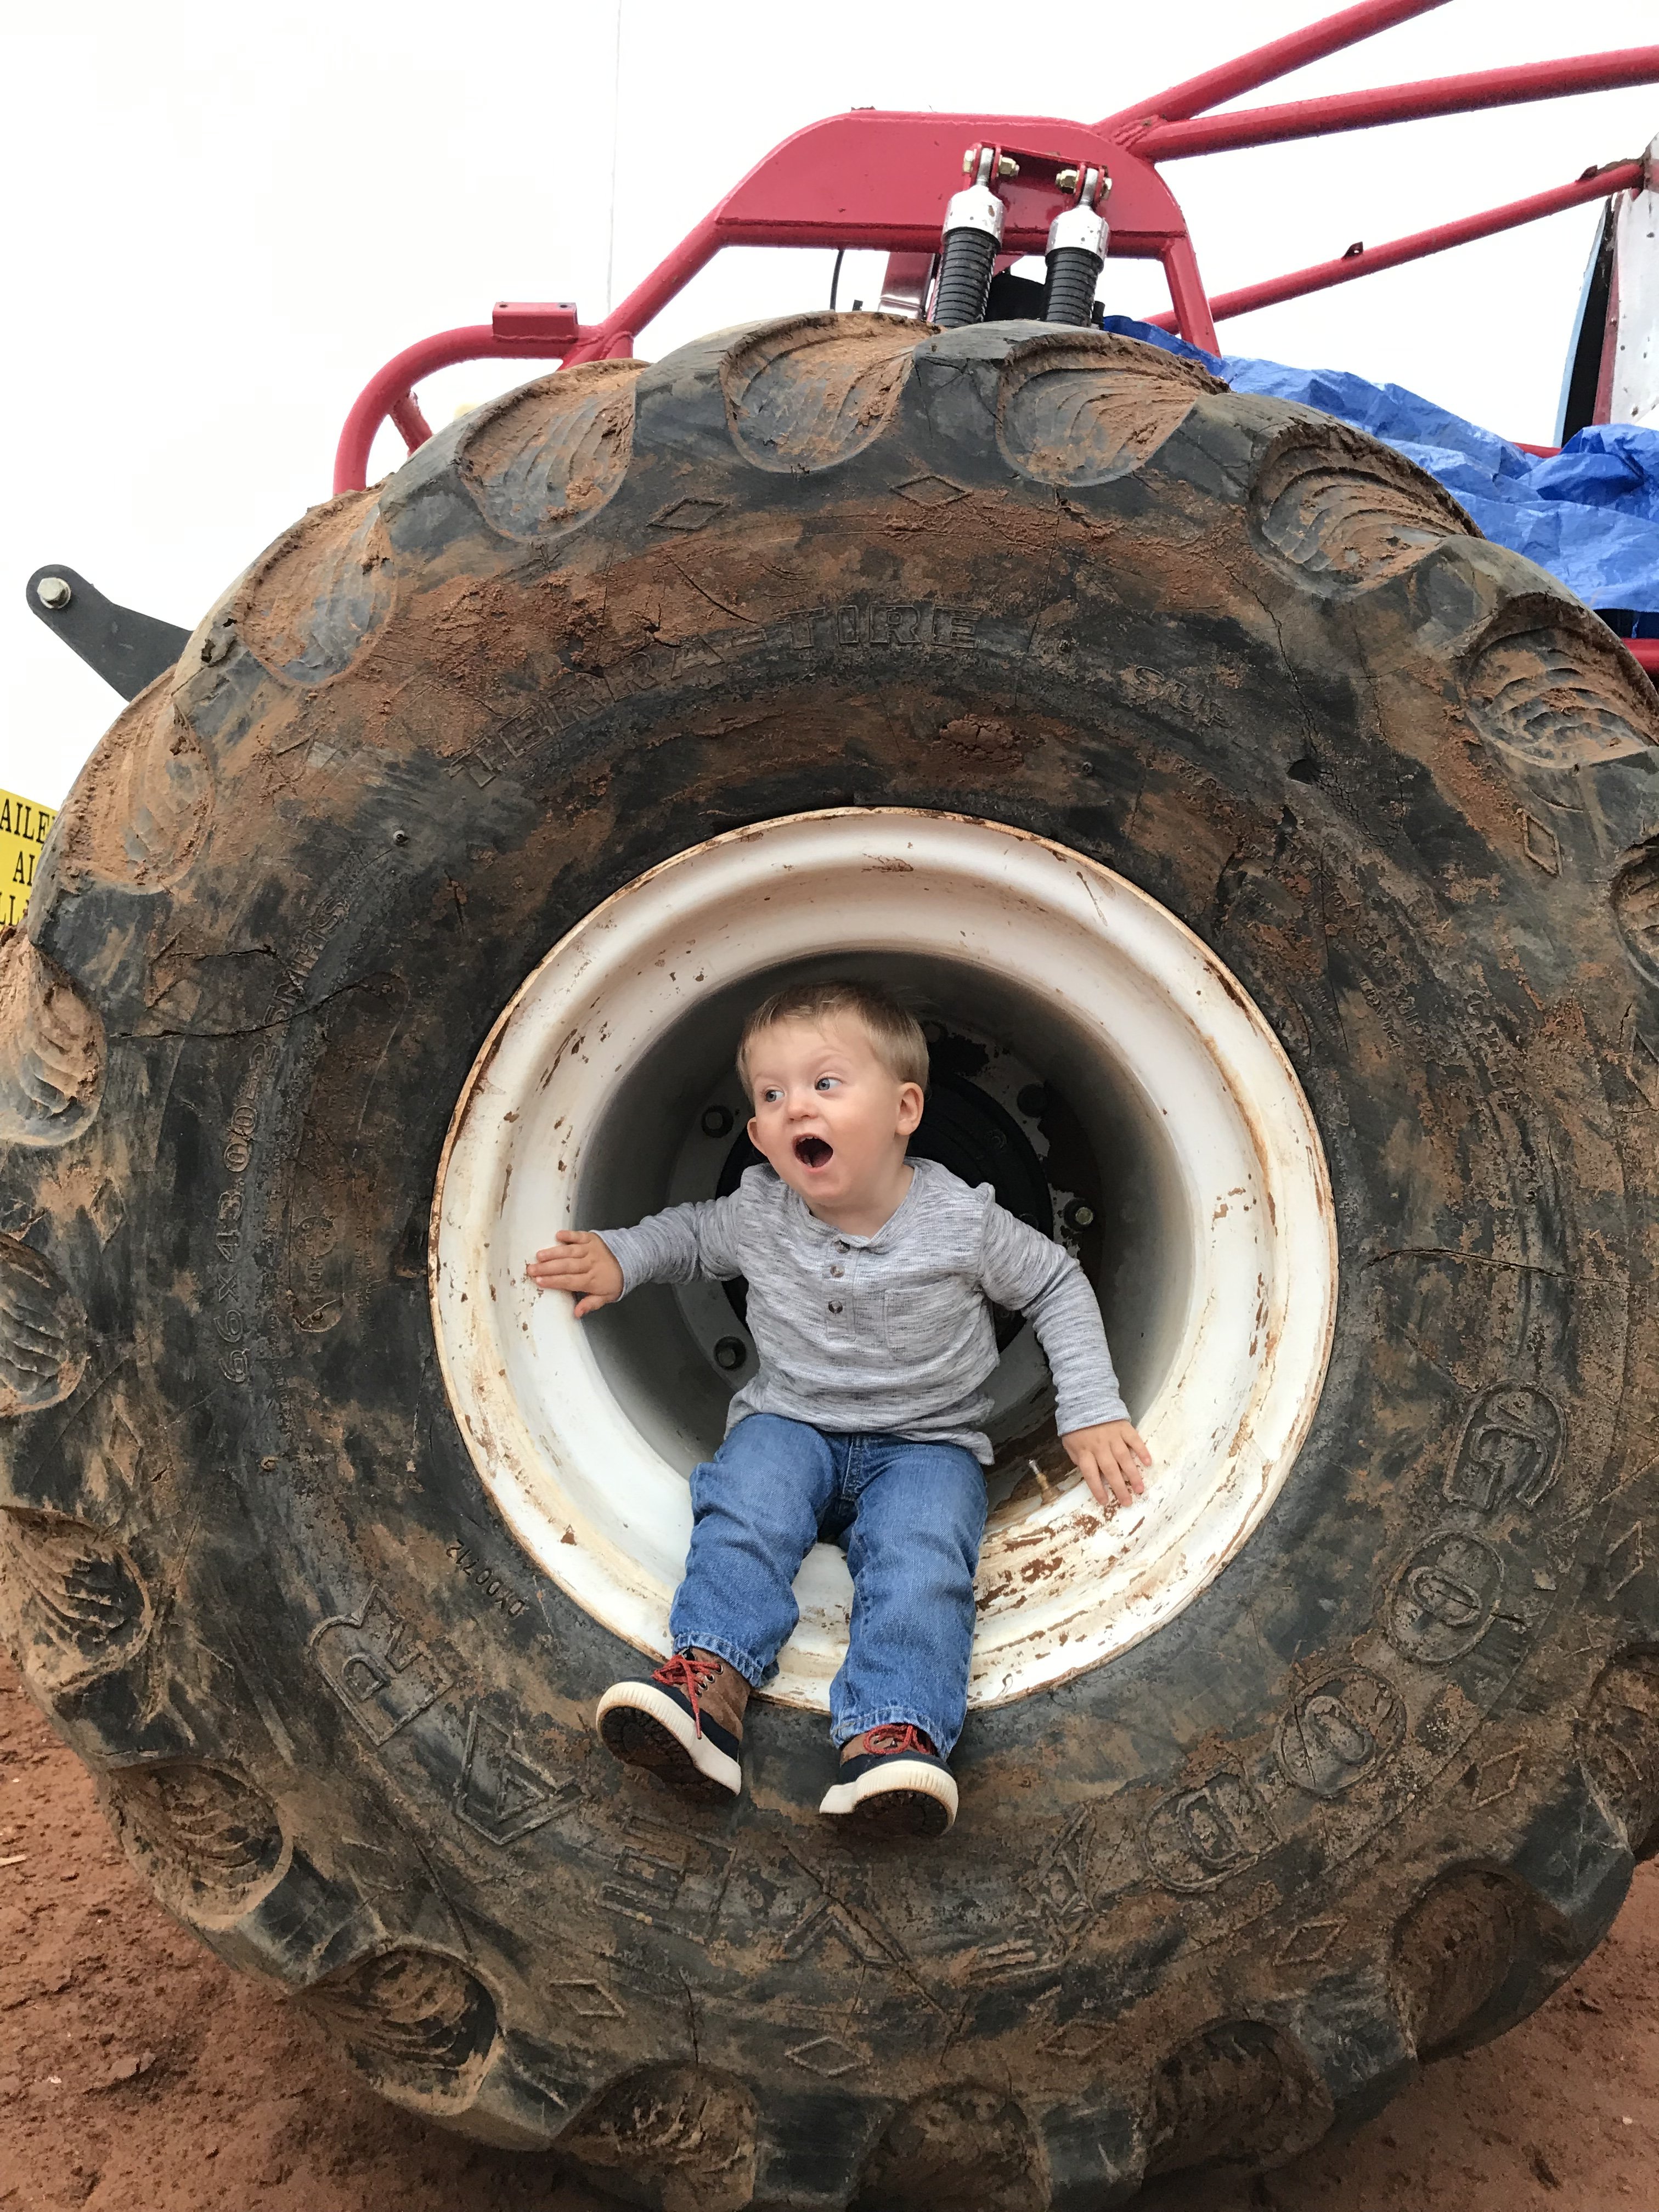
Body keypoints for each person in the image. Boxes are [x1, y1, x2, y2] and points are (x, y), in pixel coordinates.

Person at [526, 980, 1149, 1837]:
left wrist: (1090, 1407)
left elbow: (1055, 1284)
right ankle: (707, 1687)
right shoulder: (761, 1209)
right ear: (758, 1138)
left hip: (926, 1444)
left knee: (923, 1560)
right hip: (792, 1423)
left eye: (825, 1084)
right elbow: (691, 1236)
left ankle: (891, 1738)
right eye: (771, 1095)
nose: (795, 1108)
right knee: (744, 1510)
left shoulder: (963, 1222)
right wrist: (620, 1257)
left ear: (904, 1110)